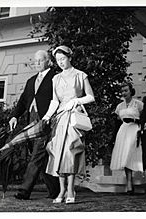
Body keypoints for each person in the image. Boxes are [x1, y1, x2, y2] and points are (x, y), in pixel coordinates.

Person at [42, 45, 95, 204]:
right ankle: (62, 189)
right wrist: (47, 116)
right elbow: (55, 101)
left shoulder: (81, 75)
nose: (61, 62)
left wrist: (76, 101)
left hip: (73, 118)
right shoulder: (55, 78)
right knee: (58, 153)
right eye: (58, 60)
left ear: (70, 58)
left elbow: (90, 97)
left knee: (70, 152)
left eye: (63, 59)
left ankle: (71, 189)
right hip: (59, 118)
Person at [8, 50, 60, 200]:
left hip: (46, 121)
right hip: (31, 121)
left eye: (40, 60)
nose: (36, 63)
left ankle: (24, 191)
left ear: (48, 61)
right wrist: (14, 116)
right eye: (35, 61)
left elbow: (59, 99)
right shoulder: (31, 80)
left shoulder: (55, 78)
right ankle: (55, 190)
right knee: (40, 157)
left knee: (37, 156)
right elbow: (23, 101)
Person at [110, 82, 144, 194]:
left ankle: (141, 178)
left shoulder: (138, 104)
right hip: (124, 131)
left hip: (135, 129)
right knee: (125, 156)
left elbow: (144, 118)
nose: (124, 93)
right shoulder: (119, 106)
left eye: (126, 91)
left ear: (131, 91)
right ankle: (129, 182)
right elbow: (117, 122)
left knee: (132, 154)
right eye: (122, 91)